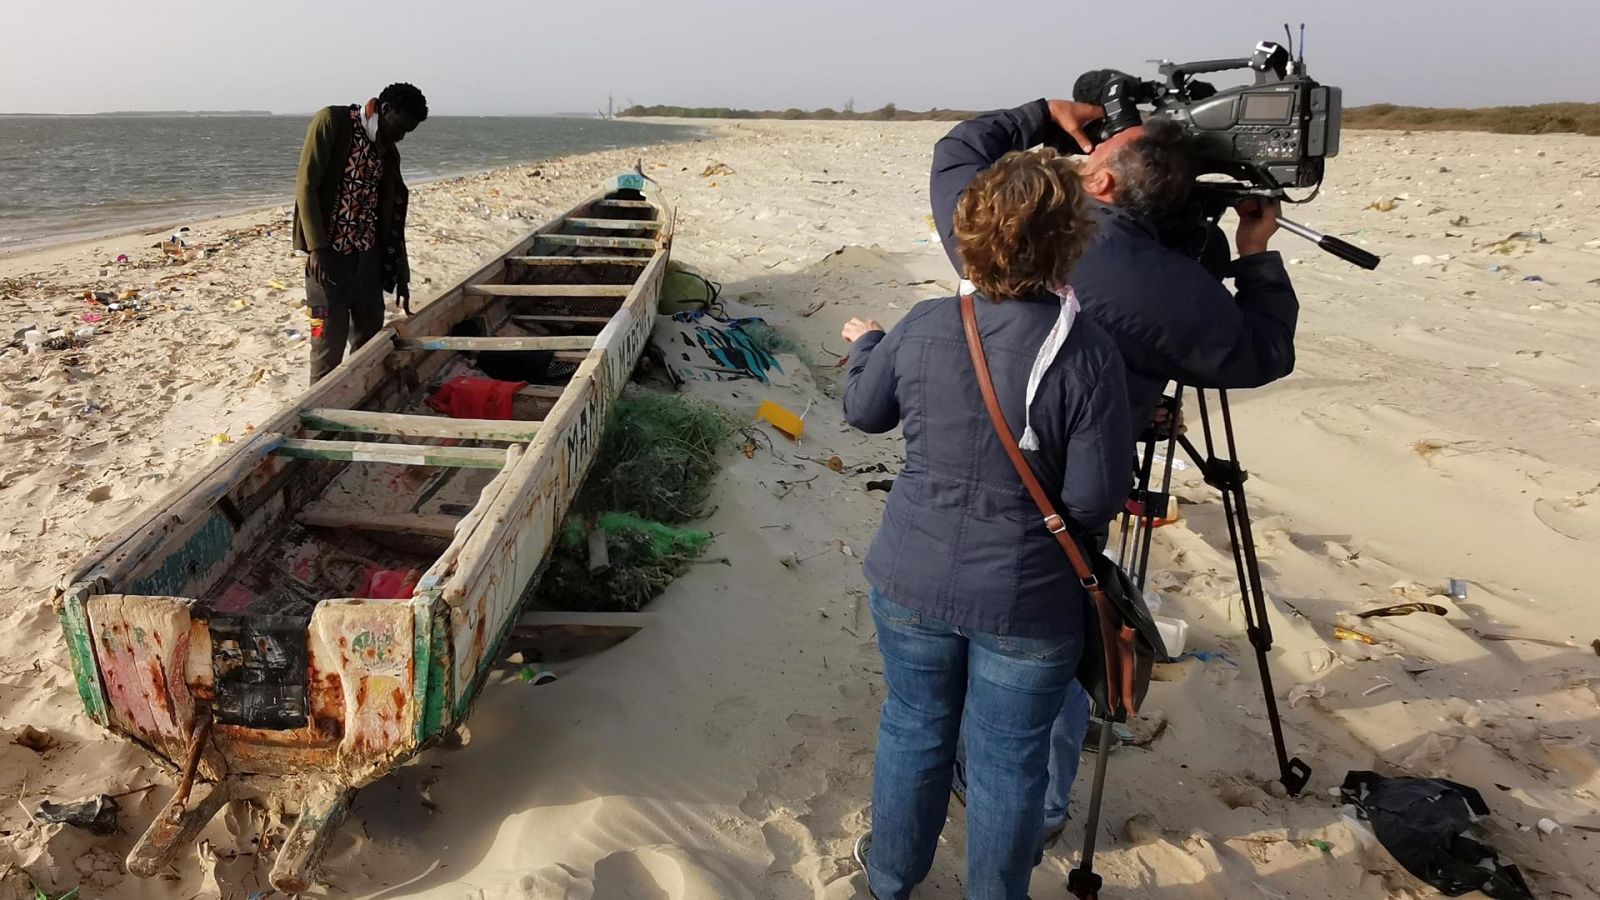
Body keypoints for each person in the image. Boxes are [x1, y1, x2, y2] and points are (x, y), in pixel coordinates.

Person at [929, 97, 1300, 851]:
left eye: (1092, 153)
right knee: (1059, 636)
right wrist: (1255, 252)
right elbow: (1262, 352)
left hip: (963, 473)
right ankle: (1038, 807)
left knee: (978, 638)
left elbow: (957, 152)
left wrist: (1042, 113)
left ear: (1099, 188)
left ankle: (995, 785)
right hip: (1074, 493)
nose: (1080, 155)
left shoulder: (1006, 233)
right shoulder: (1178, 290)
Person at [842, 148, 1133, 900]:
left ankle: (890, 879)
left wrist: (867, 346)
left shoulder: (927, 322)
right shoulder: (1086, 350)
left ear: (970, 233)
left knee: (915, 728)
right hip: (1023, 596)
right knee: (1007, 759)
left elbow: (863, 409)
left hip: (914, 575)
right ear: (1071, 238)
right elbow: (1097, 499)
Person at [293, 82, 428, 383]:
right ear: (386, 109)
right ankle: (319, 417)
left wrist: (401, 274)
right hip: (327, 263)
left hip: (368, 262)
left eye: (409, 132)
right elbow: (306, 183)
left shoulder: (388, 153)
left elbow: (392, 218)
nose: (401, 136)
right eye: (400, 127)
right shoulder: (332, 121)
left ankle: (356, 402)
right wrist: (317, 248)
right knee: (325, 344)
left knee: (368, 342)